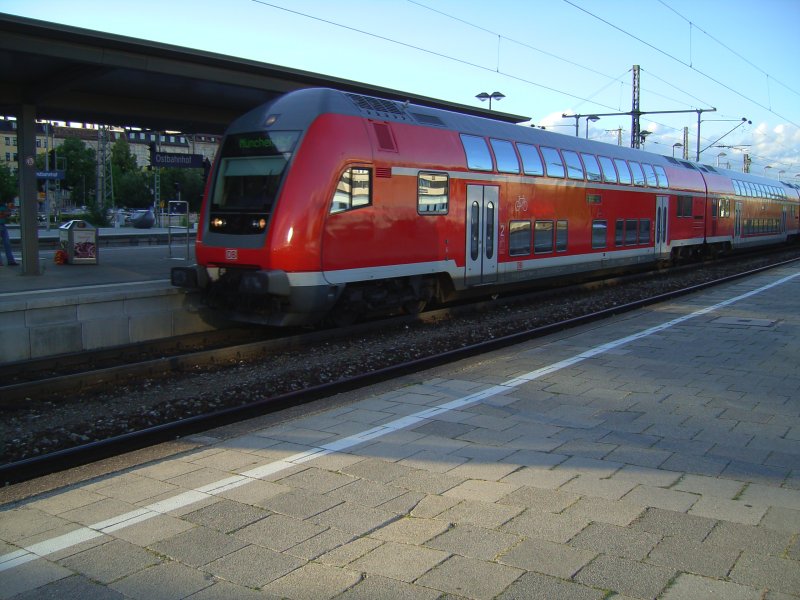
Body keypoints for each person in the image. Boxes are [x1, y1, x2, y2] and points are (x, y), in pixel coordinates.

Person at [0, 201, 18, 266]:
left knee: (7, 244)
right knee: (7, 243)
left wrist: (6, 212)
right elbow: (5, 214)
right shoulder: (3, 206)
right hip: (2, 225)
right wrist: (4, 213)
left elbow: (8, 214)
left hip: (3, 225)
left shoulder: (3, 205)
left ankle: (11, 261)